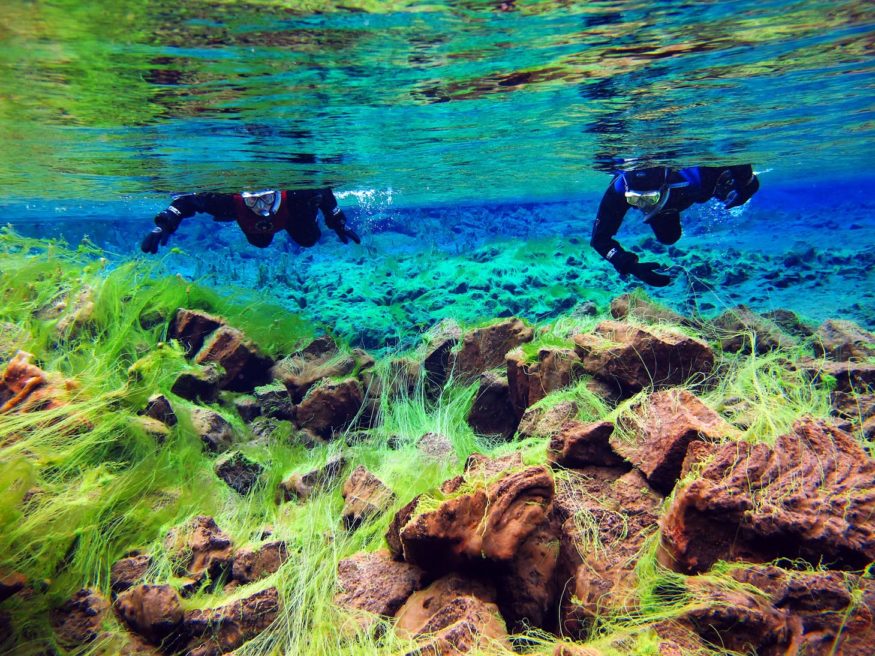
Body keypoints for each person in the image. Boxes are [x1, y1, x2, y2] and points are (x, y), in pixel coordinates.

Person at [591, 165, 759, 286]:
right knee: (668, 237)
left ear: (663, 187)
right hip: (675, 199)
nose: (644, 205)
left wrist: (747, 185)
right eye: (635, 199)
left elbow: (739, 165)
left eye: (649, 199)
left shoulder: (698, 177)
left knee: (714, 195)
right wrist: (631, 266)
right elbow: (600, 240)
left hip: (683, 193)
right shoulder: (619, 190)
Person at [141, 188, 360, 253]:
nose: (262, 207)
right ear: (242, 197)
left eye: (266, 199)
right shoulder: (226, 200)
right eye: (254, 201)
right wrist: (164, 224)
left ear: (277, 193)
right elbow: (187, 201)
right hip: (251, 225)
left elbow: (324, 192)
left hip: (293, 215)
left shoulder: (296, 195)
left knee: (309, 239)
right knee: (260, 243)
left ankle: (305, 223)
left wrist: (338, 221)